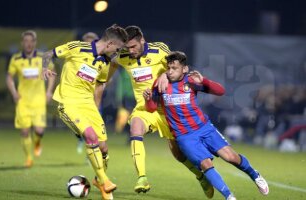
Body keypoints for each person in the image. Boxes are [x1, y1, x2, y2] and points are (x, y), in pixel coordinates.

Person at [143, 51, 269, 200]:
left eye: (174, 68)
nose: (170, 72)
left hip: (204, 128)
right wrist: (148, 99)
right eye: (168, 68)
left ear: (184, 69)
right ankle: (229, 197)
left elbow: (220, 91)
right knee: (205, 164)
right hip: (184, 136)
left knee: (231, 157)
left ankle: (255, 175)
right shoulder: (160, 84)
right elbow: (151, 108)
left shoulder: (191, 81)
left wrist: (204, 81)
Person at [107, 25, 213, 197]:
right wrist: (104, 79)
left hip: (169, 110)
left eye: (134, 46)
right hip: (146, 108)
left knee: (179, 154)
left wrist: (164, 74)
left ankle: (200, 176)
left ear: (142, 40)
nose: (131, 51)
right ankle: (142, 177)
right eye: (128, 47)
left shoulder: (159, 50)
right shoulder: (123, 56)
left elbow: (177, 66)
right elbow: (110, 60)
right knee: (135, 127)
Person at [42, 24, 128, 200]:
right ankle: (105, 181)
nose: (116, 53)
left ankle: (98, 180)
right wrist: (45, 67)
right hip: (69, 103)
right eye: (117, 49)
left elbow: (99, 86)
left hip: (89, 106)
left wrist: (96, 108)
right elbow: (47, 54)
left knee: (104, 148)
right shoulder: (77, 48)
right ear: (110, 43)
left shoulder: (104, 62)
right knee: (91, 137)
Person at [6, 30, 56, 168]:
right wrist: (14, 93)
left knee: (39, 131)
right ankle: (28, 158)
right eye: (26, 41)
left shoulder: (42, 57)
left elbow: (52, 74)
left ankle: (38, 142)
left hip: (39, 100)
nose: (28, 44)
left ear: (35, 43)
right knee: (24, 131)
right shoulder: (16, 59)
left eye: (31, 41)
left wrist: (49, 91)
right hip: (23, 101)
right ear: (22, 43)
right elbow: (9, 77)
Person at [75, 31, 100, 154]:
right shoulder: (77, 59)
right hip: (77, 100)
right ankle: (81, 141)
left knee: (95, 130)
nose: (89, 45)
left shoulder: (101, 61)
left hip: (93, 100)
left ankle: (91, 153)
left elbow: (102, 82)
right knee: (82, 127)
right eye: (86, 43)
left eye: (91, 43)